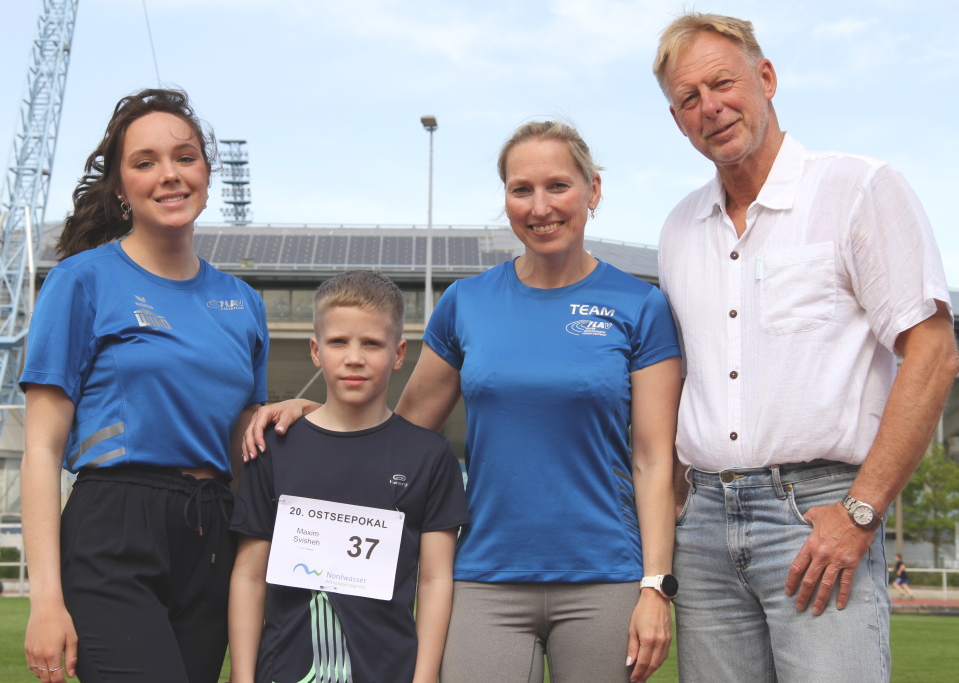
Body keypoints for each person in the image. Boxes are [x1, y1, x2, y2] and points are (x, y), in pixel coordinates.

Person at [244, 120, 683, 682]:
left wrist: (655, 586)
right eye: (521, 189)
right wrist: (320, 416)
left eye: (558, 186)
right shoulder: (466, 302)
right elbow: (403, 431)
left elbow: (653, 460)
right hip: (483, 577)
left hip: (605, 575)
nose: (540, 206)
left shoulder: (640, 305)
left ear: (592, 190)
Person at [653, 12, 959, 682]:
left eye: (722, 83)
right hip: (702, 528)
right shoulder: (678, 230)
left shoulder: (858, 189)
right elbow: (684, 386)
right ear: (678, 121)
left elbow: (934, 354)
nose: (710, 107)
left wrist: (860, 511)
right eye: (689, 98)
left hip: (818, 509)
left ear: (765, 78)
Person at [20, 88, 269, 683]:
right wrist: (45, 600)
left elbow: (246, 446)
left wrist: (306, 415)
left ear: (206, 172)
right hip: (115, 526)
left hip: (214, 534)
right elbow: (41, 449)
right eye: (145, 162)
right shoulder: (81, 281)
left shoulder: (244, 303)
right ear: (120, 187)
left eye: (185, 157)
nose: (169, 175)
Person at [228, 270, 469, 683]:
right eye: (338, 341)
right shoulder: (275, 448)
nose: (354, 357)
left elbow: (433, 580)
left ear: (398, 354)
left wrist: (424, 678)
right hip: (284, 671)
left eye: (372, 343)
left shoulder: (430, 456)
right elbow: (250, 574)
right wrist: (242, 676)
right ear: (315, 350)